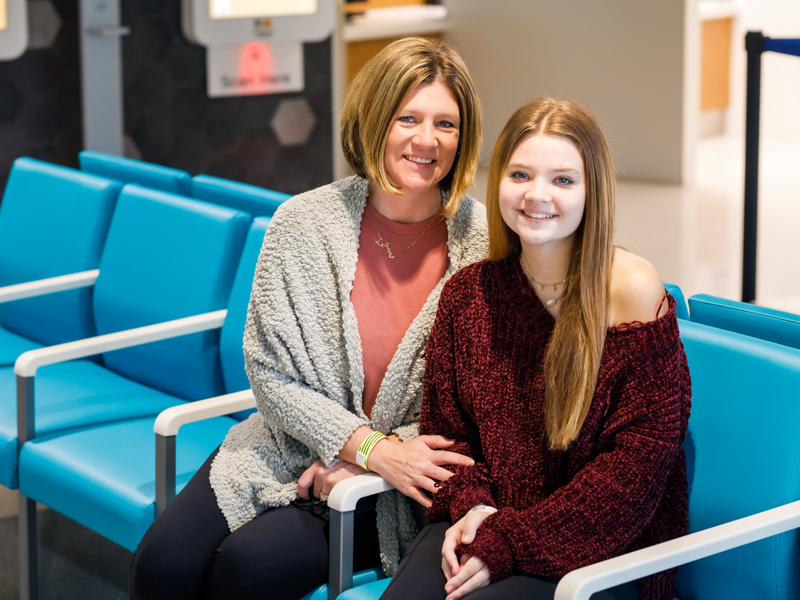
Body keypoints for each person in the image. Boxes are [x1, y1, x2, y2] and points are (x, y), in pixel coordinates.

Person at [129, 37, 488, 600]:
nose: (426, 140)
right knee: (160, 564)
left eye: (446, 124)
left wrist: (377, 463)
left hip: (406, 486)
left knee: (244, 569)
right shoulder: (302, 222)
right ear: (374, 121)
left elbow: (483, 403)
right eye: (408, 118)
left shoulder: (484, 245)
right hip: (286, 443)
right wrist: (363, 446)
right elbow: (270, 373)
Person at [380, 98, 692, 600]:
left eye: (563, 180)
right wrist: (475, 509)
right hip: (491, 523)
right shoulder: (469, 294)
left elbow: (637, 467)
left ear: (593, 192)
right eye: (520, 174)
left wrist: (507, 540)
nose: (537, 195)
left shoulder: (629, 287)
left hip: (603, 553)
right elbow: (448, 438)